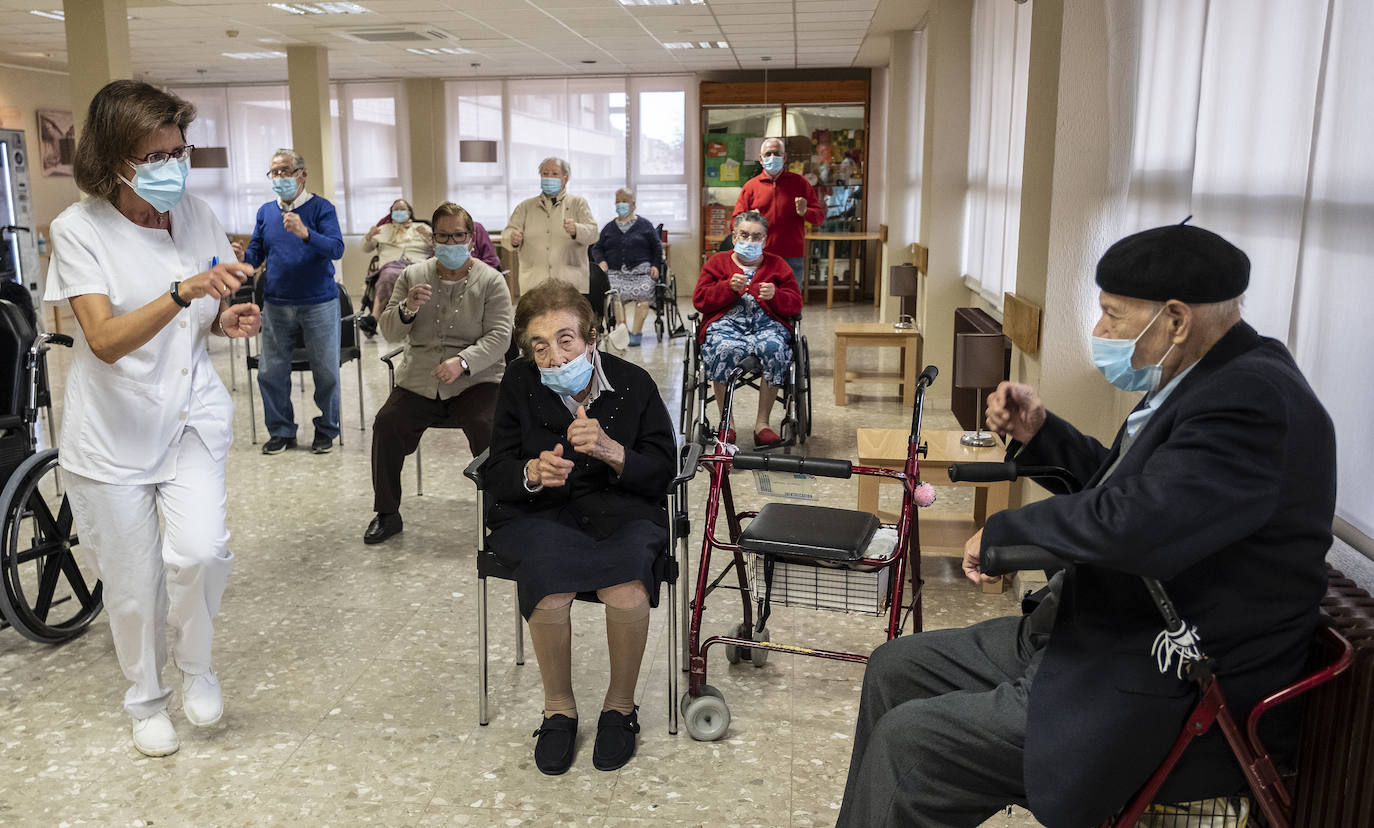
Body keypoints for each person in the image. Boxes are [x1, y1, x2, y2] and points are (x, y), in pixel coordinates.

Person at [837, 224, 1337, 828]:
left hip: (1165, 683)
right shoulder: (1206, 379)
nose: (1099, 333)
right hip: (1095, 632)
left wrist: (1004, 532)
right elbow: (1129, 489)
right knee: (897, 670)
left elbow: (1140, 523)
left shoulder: (1255, 403)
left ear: (1175, 320)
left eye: (1112, 316)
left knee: (911, 745)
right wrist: (1042, 434)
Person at [44, 80, 262, 757]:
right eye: (157, 154)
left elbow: (194, 321)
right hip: (111, 432)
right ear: (115, 159)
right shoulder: (78, 230)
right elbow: (104, 340)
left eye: (180, 149)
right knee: (134, 582)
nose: (174, 165)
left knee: (201, 551)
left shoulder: (195, 215)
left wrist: (223, 320)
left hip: (190, 412)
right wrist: (183, 292)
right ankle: (145, 699)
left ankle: (196, 664)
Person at [483, 279, 677, 775]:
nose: (553, 356)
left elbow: (663, 470)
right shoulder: (518, 383)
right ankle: (558, 710)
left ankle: (620, 708)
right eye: (540, 345)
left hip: (623, 508)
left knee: (628, 588)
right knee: (549, 587)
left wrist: (614, 452)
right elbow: (497, 467)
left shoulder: (634, 384)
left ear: (592, 338)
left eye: (566, 340)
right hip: (541, 513)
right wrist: (530, 473)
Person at [364, 202, 514, 544]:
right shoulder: (412, 276)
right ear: (433, 239)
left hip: (475, 381)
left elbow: (500, 336)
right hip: (420, 379)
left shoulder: (491, 281)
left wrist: (462, 362)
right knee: (386, 423)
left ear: (471, 239)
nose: (451, 242)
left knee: (487, 427)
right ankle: (387, 513)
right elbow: (389, 331)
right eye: (443, 236)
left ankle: (501, 514)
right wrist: (408, 307)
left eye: (458, 235)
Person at [233, 147, 346, 455]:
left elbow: (336, 249)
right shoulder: (266, 212)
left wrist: (306, 233)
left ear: (302, 175)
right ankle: (282, 431)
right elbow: (256, 254)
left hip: (319, 302)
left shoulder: (321, 208)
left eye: (285, 171)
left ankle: (327, 429)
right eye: (274, 172)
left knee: (326, 372)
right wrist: (244, 257)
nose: (279, 177)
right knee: (271, 371)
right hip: (277, 302)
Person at [692, 211, 802, 447]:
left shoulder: (777, 265)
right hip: (726, 326)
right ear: (734, 237)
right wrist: (726, 288)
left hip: (767, 326)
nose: (750, 241)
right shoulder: (717, 263)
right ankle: (727, 425)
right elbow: (700, 300)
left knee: (775, 348)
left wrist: (776, 295)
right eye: (744, 235)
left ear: (765, 240)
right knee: (723, 348)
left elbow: (795, 304)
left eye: (756, 236)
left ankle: (762, 425)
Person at [732, 137, 824, 285]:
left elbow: (820, 218)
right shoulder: (750, 187)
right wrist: (748, 219)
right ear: (761, 159)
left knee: (791, 303)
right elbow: (734, 222)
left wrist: (805, 211)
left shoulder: (800, 183)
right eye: (768, 154)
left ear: (785, 157)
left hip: (792, 256)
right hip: (758, 255)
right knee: (759, 301)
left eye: (776, 153)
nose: (772, 157)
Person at [502, 157, 596, 297]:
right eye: (545, 174)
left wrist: (577, 229)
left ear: (565, 178)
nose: (549, 177)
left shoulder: (578, 204)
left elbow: (593, 234)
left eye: (554, 173)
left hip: (569, 283)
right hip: (534, 283)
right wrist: (512, 238)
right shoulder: (525, 207)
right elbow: (507, 234)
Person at [590, 188, 663, 347]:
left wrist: (656, 265)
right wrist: (601, 260)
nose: (620, 204)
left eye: (624, 201)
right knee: (615, 295)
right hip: (616, 272)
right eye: (618, 201)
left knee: (644, 295)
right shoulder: (609, 227)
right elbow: (597, 248)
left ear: (633, 204)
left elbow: (657, 247)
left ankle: (636, 333)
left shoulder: (645, 225)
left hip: (641, 271)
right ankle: (623, 332)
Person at [360, 198, 433, 320]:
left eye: (402, 209)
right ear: (391, 212)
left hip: (416, 263)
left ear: (409, 212)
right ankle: (375, 317)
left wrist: (428, 236)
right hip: (390, 264)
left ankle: (418, 316)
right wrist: (369, 236)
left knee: (415, 275)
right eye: (396, 209)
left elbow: (438, 247)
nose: (399, 211)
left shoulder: (422, 227)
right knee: (388, 275)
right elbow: (366, 249)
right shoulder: (382, 229)